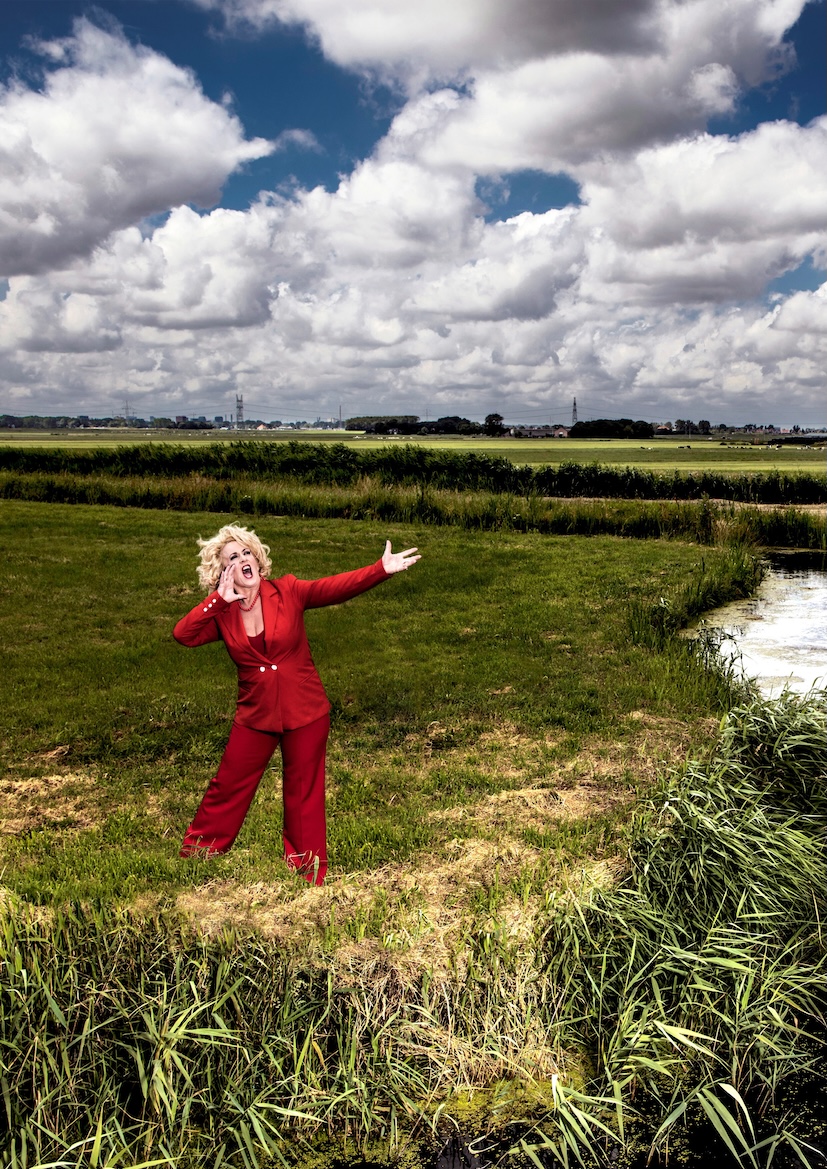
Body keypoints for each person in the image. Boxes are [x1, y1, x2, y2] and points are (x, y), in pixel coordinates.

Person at [173, 523, 420, 883]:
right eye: (232, 558)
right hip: (255, 716)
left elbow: (332, 588)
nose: (243, 559)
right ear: (223, 572)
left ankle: (307, 871)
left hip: (306, 711)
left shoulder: (287, 591)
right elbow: (184, 634)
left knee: (303, 793)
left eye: (247, 552)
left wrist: (380, 570)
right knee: (227, 785)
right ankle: (199, 854)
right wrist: (218, 600)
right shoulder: (222, 615)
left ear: (258, 559)